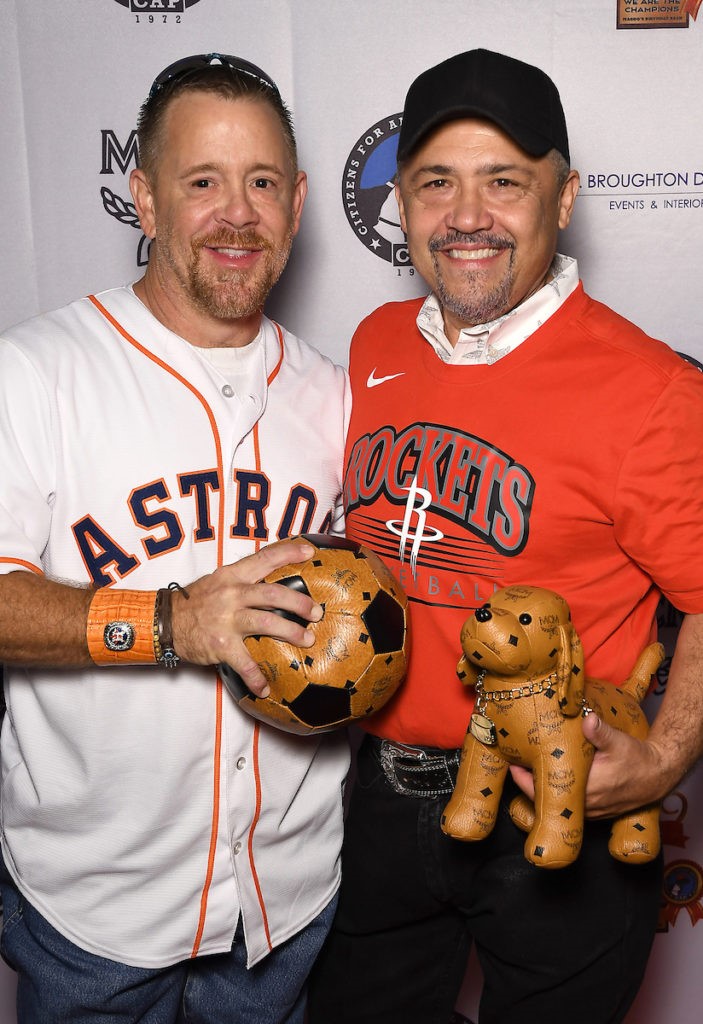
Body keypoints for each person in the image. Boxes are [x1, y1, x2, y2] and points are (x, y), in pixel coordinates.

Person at [308, 48, 703, 1024]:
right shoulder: (374, 344)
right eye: (437, 182)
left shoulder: (652, 390)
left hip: (550, 801)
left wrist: (661, 759)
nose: (468, 214)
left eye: (504, 182)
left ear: (561, 197)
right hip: (375, 806)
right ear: (399, 199)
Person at [0, 53, 350, 1024]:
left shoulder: (337, 395)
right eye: (202, 182)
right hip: (93, 920)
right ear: (144, 199)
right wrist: (170, 621)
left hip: (287, 909)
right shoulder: (33, 375)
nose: (237, 214)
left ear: (299, 201)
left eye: (263, 183)